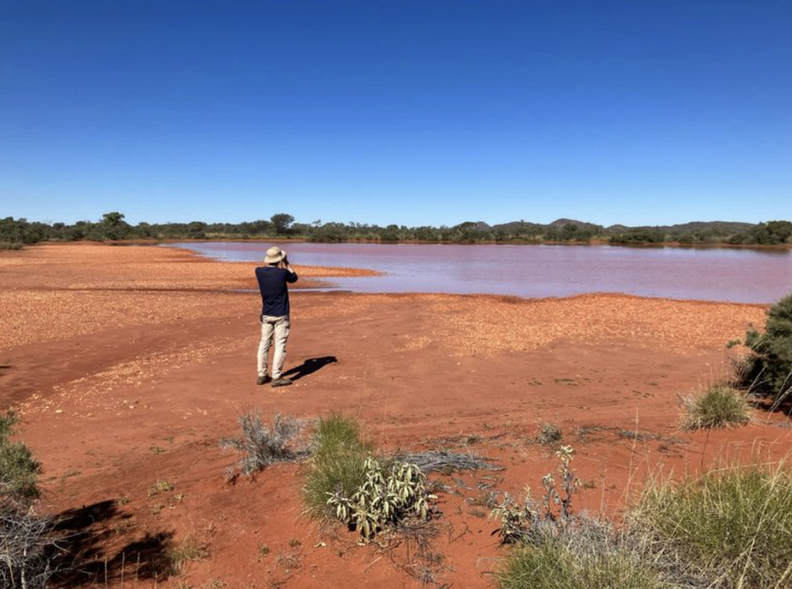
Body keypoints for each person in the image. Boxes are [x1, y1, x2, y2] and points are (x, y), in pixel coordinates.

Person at [255, 246, 298, 387]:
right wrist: (286, 262)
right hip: (281, 314)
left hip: (266, 313)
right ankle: (276, 377)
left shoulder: (259, 272)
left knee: (264, 344)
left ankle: (262, 374)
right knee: (280, 345)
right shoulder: (283, 273)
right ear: (279, 259)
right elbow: (294, 278)